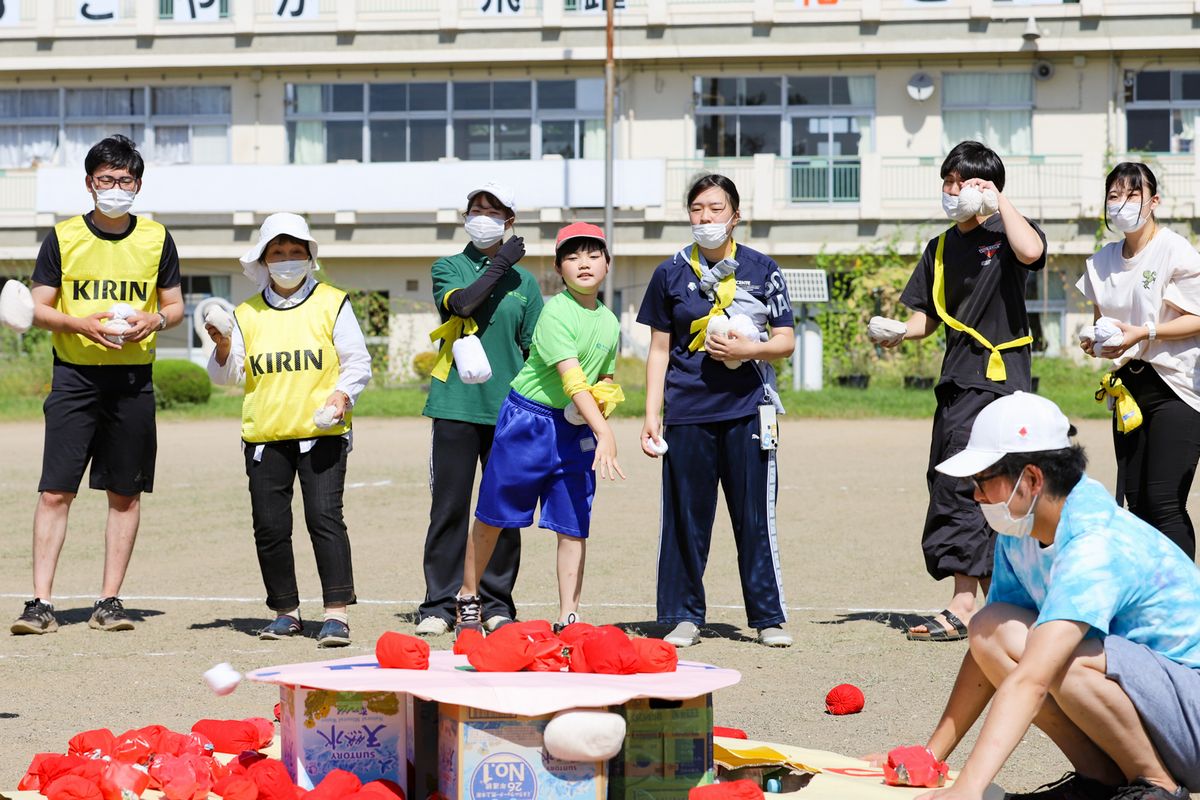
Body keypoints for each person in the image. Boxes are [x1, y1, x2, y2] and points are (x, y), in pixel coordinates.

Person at [893, 391, 1200, 800]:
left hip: (1191, 716)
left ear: (1033, 479)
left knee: (1055, 656)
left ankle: (1155, 787)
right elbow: (989, 652)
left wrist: (967, 790)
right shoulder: (1022, 529)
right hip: (1155, 710)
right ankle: (1101, 780)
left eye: (983, 481)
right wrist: (931, 756)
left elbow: (1033, 678)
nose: (976, 496)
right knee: (989, 628)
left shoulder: (1094, 541)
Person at [871, 140, 1047, 642]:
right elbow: (926, 315)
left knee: (1008, 487)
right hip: (959, 381)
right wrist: (900, 330)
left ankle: (982, 604)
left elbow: (1031, 252)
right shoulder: (941, 247)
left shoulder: (1009, 231)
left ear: (988, 187)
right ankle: (968, 601)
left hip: (1005, 380)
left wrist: (999, 201)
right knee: (952, 483)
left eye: (965, 182)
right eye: (949, 181)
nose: (954, 191)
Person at [11, 135, 184, 635]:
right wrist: (80, 324)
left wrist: (154, 319)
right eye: (106, 179)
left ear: (139, 185)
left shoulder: (156, 238)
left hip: (133, 381)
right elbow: (36, 308)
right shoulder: (63, 237)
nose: (115, 187)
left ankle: (109, 601)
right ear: (89, 183)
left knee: (125, 494)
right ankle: (40, 603)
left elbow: (173, 307)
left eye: (124, 180)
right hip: (75, 378)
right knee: (54, 492)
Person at [636, 173, 796, 649]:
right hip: (686, 412)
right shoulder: (670, 273)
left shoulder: (763, 268)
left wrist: (750, 349)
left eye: (715, 209)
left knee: (753, 516)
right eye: (697, 209)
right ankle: (684, 614)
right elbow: (659, 351)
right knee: (686, 516)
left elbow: (785, 340)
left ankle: (767, 618)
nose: (705, 218)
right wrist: (651, 414)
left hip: (748, 410)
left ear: (735, 215)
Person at [206, 213, 372, 648]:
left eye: (294, 251)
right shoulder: (246, 313)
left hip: (323, 433)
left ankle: (336, 615)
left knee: (324, 519)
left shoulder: (332, 301)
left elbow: (357, 362)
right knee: (270, 526)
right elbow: (227, 377)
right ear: (262, 260)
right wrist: (223, 345)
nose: (286, 260)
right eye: (276, 252)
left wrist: (342, 396)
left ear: (309, 256)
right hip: (265, 434)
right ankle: (286, 612)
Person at [456, 222, 623, 634]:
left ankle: (569, 615)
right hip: (528, 421)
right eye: (572, 256)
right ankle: (467, 597)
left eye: (592, 254)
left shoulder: (610, 322)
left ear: (607, 262)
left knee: (572, 523)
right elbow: (571, 379)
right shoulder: (556, 312)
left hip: (574, 428)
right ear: (558, 267)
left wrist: (604, 404)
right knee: (494, 514)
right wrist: (604, 431)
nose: (583, 263)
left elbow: (601, 378)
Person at [417, 183, 543, 636]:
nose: (483, 216)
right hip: (454, 404)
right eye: (476, 209)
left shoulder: (526, 284)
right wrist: (502, 262)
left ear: (510, 220)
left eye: (493, 210)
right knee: (448, 507)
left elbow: (532, 349)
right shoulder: (448, 267)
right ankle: (439, 602)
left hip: (509, 410)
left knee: (502, 510)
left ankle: (495, 601)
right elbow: (463, 303)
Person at [1076, 162, 1200, 561]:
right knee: (1136, 504)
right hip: (1127, 390)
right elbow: (1103, 325)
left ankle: (1184, 604)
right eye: (1114, 195)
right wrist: (1094, 342)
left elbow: (1197, 317)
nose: (1122, 203)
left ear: (1154, 201)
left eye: (1133, 194)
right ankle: (1150, 599)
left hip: (1176, 388)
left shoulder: (1174, 249)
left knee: (1164, 500)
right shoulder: (1101, 262)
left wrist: (1143, 332)